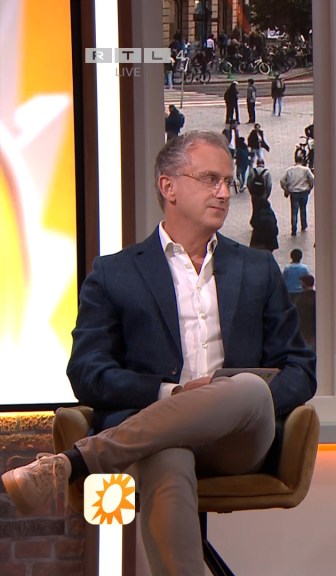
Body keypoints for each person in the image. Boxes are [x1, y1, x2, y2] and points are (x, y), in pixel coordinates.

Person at [0, 131, 315, 574]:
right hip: (151, 438)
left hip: (240, 437)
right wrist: (173, 395)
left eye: (227, 181)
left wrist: (244, 395)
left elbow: (300, 368)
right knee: (166, 453)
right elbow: (87, 372)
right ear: (168, 187)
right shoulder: (114, 273)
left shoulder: (258, 268)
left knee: (244, 387)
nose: (225, 192)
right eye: (209, 179)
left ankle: (73, 461)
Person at [280, 158, 315, 236]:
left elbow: (282, 181)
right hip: (304, 191)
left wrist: (286, 189)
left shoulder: (289, 170)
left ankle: (294, 228)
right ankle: (303, 225)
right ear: (302, 161)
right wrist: (310, 187)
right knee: (303, 209)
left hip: (294, 193)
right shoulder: (306, 170)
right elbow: (312, 179)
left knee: (294, 211)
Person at [293, 274, 317, 352]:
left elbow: (297, 314)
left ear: (304, 284)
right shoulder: (317, 296)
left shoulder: (300, 299)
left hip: (304, 330)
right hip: (315, 329)